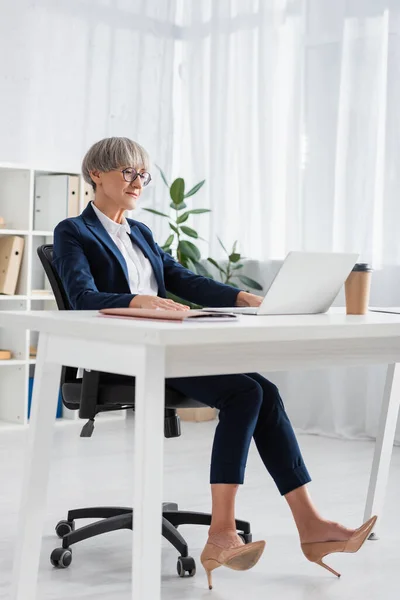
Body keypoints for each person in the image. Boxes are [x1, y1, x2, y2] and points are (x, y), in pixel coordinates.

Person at [53, 137, 377, 590]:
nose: (137, 182)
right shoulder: (73, 231)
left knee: (263, 390)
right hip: (123, 357)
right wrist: (140, 300)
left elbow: (182, 278)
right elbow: (81, 298)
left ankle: (311, 526)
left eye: (142, 175)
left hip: (169, 346)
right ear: (96, 175)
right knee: (246, 391)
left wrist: (240, 296)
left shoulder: (141, 233)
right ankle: (224, 533)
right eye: (127, 173)